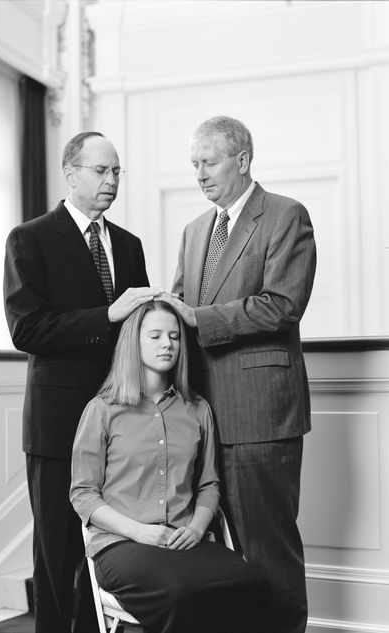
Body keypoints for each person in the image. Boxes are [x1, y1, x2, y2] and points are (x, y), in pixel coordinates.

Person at [161, 115, 316, 633]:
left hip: (259, 412)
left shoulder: (285, 215)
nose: (200, 175)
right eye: (194, 165)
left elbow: (281, 306)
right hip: (200, 413)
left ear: (242, 160)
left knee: (266, 546)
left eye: (209, 162)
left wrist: (198, 318)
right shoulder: (194, 229)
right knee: (216, 549)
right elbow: (181, 307)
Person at [3, 131, 160, 633]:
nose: (112, 180)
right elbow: (26, 329)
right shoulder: (30, 239)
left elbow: (136, 334)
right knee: (57, 552)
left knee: (109, 549)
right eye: (101, 171)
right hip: (58, 425)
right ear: (70, 173)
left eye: (117, 171)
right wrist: (106, 315)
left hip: (123, 421)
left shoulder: (130, 245)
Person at [70, 299, 267, 633]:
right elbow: (83, 494)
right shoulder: (102, 409)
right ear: (134, 342)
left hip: (183, 539)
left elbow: (208, 485)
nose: (167, 344)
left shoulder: (197, 408)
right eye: (156, 335)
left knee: (249, 582)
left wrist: (195, 528)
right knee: (180, 594)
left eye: (175, 336)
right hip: (121, 544)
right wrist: (139, 531)